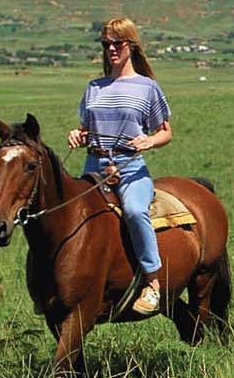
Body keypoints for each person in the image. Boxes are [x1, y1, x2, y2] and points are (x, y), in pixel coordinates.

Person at [66, 17, 172, 314]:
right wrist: (78, 135)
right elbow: (86, 128)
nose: (111, 49)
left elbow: (165, 132)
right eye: (106, 44)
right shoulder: (94, 87)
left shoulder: (147, 87)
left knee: (135, 211)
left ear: (131, 45)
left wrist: (149, 141)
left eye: (117, 43)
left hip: (130, 167)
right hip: (94, 165)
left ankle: (152, 283)